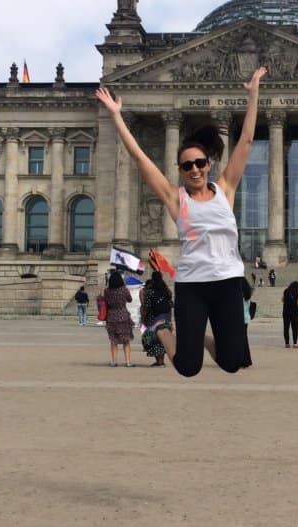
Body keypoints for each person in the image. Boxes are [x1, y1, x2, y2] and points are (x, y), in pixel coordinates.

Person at [96, 66, 266, 377]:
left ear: (209, 163)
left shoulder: (225, 188)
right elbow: (140, 159)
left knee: (233, 361)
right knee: (188, 367)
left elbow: (246, 141)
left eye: (200, 163)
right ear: (181, 169)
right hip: (192, 285)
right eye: (187, 165)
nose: (194, 169)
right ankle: (161, 328)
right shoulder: (177, 199)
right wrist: (117, 116)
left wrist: (254, 93)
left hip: (228, 283)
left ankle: (194, 336)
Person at [99, 271, 134, 367]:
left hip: (111, 317)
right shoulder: (124, 289)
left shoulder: (107, 291)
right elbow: (130, 300)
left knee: (113, 340)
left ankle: (114, 361)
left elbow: (102, 301)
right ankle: (128, 362)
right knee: (126, 340)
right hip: (123, 316)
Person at [140, 272, 173, 367]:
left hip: (153, 318)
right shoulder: (167, 291)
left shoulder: (150, 292)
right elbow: (170, 305)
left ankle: (159, 361)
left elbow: (146, 306)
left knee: (151, 339)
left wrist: (143, 318)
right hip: (166, 317)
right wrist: (170, 320)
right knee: (162, 339)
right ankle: (161, 360)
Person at [282, 280, 298, 348]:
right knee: (295, 328)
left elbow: (282, 300)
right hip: (294, 312)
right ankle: (295, 343)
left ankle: (287, 343)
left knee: (286, 327)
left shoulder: (286, 291)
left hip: (286, 312)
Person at [240, 278, 254, 368]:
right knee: (244, 339)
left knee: (240, 340)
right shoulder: (247, 294)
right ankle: (246, 360)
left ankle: (243, 360)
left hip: (239, 319)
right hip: (245, 318)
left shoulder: (239, 294)